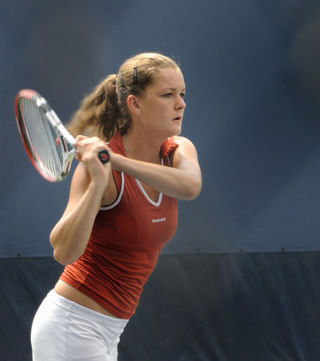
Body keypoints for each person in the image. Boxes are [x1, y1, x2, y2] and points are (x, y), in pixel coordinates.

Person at [30, 52, 202, 361]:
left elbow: (190, 186)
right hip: (72, 326)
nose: (181, 104)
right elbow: (63, 252)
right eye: (167, 95)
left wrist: (117, 162)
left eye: (182, 94)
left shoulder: (178, 151)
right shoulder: (97, 169)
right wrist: (98, 182)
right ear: (135, 104)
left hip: (109, 331)